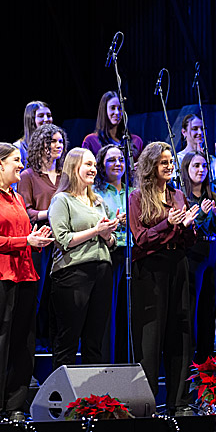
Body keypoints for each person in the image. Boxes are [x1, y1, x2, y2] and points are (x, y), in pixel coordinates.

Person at [0, 143, 54, 422]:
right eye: (16, 160)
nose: (21, 165)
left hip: (25, 273)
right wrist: (25, 240)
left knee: (23, 341)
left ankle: (15, 404)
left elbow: (23, 234)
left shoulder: (15, 197)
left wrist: (36, 239)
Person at [129, 141, 199, 415]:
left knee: (181, 331)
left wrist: (188, 227)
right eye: (163, 162)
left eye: (171, 162)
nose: (169, 166)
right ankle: (147, 403)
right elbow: (141, 239)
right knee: (152, 334)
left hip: (178, 263)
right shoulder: (137, 197)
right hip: (151, 268)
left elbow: (188, 240)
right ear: (151, 167)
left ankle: (178, 401)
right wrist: (167, 223)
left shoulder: (178, 196)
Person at [47, 148, 118, 370]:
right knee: (68, 338)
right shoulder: (61, 200)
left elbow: (112, 241)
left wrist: (107, 235)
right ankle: (64, 396)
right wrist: (96, 231)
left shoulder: (97, 201)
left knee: (95, 339)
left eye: (94, 165)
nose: (93, 170)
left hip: (102, 271)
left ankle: (92, 400)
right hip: (72, 273)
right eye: (87, 165)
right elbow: (62, 239)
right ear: (73, 167)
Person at [18, 123, 68, 352]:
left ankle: (55, 342)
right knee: (38, 295)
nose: (57, 146)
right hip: (41, 241)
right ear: (40, 145)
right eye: (52, 142)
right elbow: (26, 211)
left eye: (60, 141)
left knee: (58, 297)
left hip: (64, 241)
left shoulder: (65, 176)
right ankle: (34, 343)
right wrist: (52, 212)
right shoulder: (28, 176)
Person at [180, 150, 216, 363]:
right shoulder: (182, 197)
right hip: (193, 255)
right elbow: (187, 230)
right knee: (191, 309)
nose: (201, 170)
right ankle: (189, 361)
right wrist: (202, 214)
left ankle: (207, 362)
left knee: (210, 309)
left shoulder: (213, 197)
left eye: (204, 166)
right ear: (186, 169)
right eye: (196, 166)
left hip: (212, 255)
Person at [92, 145, 132, 362]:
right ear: (102, 165)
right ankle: (107, 363)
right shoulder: (97, 193)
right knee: (108, 312)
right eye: (111, 160)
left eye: (121, 160)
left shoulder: (132, 192)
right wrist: (115, 222)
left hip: (131, 252)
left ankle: (126, 363)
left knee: (127, 313)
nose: (118, 164)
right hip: (108, 252)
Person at [81, 91, 144, 163]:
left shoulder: (136, 141)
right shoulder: (91, 141)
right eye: (112, 108)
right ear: (104, 111)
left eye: (120, 108)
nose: (117, 112)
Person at [176, 112, 216, 195]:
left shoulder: (211, 160)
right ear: (184, 132)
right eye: (195, 128)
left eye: (203, 128)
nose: (200, 132)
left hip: (211, 206)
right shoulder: (177, 159)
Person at [13, 100, 53, 168]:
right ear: (31, 120)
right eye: (41, 116)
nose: (46, 119)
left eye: (49, 115)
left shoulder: (55, 144)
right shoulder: (19, 148)